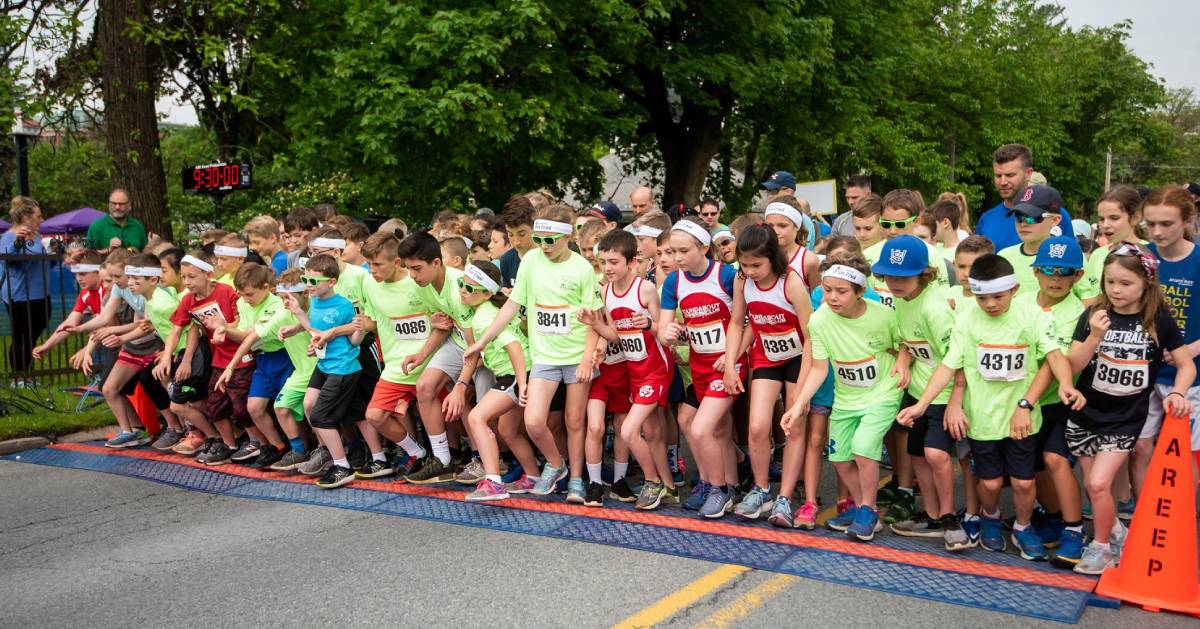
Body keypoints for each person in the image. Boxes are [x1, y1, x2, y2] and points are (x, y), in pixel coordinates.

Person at [898, 254, 1084, 561]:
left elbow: (1052, 355)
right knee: (991, 483)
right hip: (982, 419)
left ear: (1014, 289)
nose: (991, 304)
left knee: (1024, 483)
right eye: (983, 297)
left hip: (1021, 419)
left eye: (998, 296)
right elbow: (947, 366)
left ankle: (1023, 527)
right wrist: (921, 405)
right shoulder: (968, 319)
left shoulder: (1031, 314)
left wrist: (1065, 384)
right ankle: (991, 517)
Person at [1066, 241, 1195, 574]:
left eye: (1126, 283)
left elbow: (1186, 366)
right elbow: (1074, 364)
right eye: (1110, 282)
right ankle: (1118, 532)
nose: (1116, 290)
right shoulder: (1094, 314)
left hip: (1125, 420)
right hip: (1085, 414)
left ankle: (1101, 547)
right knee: (1094, 486)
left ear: (1146, 283)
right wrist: (1094, 336)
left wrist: (1178, 393)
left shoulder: (1158, 320)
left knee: (1097, 484)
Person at [467, 204, 602, 499]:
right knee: (534, 420)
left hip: (575, 356)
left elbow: (593, 320)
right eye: (539, 240)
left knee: (574, 420)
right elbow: (513, 305)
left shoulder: (581, 268)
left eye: (549, 241)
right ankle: (557, 465)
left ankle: (577, 479)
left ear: (567, 237)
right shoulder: (530, 261)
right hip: (544, 357)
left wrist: (585, 359)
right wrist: (482, 341)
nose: (543, 246)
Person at [785, 253, 909, 542]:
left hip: (883, 391)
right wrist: (798, 404)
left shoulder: (883, 315)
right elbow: (818, 369)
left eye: (841, 291)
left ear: (860, 292)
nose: (832, 298)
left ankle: (868, 509)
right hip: (846, 397)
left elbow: (904, 343)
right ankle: (862, 506)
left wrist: (902, 362)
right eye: (827, 290)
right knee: (840, 459)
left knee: (864, 448)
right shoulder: (819, 321)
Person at [874, 236, 970, 550]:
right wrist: (903, 362)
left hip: (939, 396)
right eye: (889, 275)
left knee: (936, 455)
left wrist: (954, 401)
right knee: (916, 454)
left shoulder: (935, 307)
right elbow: (908, 341)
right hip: (917, 391)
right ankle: (930, 516)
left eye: (903, 276)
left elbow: (956, 358)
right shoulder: (902, 301)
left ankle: (949, 518)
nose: (895, 282)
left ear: (923, 273)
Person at [723, 225, 813, 520]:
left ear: (774, 258)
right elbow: (738, 323)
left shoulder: (792, 283)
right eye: (744, 265)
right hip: (767, 356)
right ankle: (761, 490)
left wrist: (803, 386)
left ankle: (785, 497)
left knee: (793, 426)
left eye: (756, 265)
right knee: (758, 427)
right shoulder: (741, 281)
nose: (750, 271)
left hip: (799, 357)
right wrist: (730, 362)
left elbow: (812, 334)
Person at [583, 229, 678, 509]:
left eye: (614, 262)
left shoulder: (644, 289)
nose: (608, 268)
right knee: (651, 432)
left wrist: (648, 323)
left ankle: (652, 481)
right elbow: (614, 335)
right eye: (603, 262)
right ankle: (670, 487)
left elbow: (664, 331)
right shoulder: (605, 291)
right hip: (634, 371)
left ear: (631, 262)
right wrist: (595, 324)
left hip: (656, 369)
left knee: (629, 430)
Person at [1016, 236, 1087, 567]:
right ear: (1035, 272)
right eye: (1048, 270)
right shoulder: (1021, 301)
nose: (1055, 278)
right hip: (1021, 399)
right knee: (1033, 466)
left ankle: (1075, 531)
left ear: (1078, 275)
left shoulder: (1078, 313)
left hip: (1058, 400)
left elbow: (1052, 361)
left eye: (1064, 272)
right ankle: (1055, 517)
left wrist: (1026, 402)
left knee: (1055, 459)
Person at [1135, 186, 1200, 493]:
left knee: (1184, 452)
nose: (1157, 231)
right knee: (1141, 447)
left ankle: (1183, 520)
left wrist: (1188, 350)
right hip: (1145, 371)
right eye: (1151, 223)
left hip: (1190, 375)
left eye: (1166, 223)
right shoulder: (1140, 257)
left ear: (1188, 220)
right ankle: (1140, 514)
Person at [281, 253, 364, 488]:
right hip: (324, 363)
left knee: (320, 416)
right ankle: (329, 450)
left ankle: (342, 465)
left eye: (314, 282)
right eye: (307, 280)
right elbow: (316, 330)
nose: (309, 286)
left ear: (331, 282)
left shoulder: (344, 305)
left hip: (342, 366)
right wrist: (297, 322)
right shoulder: (315, 301)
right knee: (310, 406)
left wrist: (347, 331)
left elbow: (355, 335)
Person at [461, 263, 536, 502]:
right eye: (461, 284)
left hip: (516, 374)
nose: (462, 290)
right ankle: (534, 476)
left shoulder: (484, 316)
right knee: (507, 430)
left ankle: (493, 481)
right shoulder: (488, 309)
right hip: (518, 372)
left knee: (476, 417)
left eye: (469, 287)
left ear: (486, 293)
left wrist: (522, 383)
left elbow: (513, 346)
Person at [212, 263, 292, 468]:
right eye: (242, 294)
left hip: (284, 356)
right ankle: (277, 447)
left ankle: (303, 448)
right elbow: (243, 334)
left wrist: (223, 330)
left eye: (250, 294)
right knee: (254, 407)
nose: (246, 299)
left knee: (290, 407)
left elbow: (249, 336)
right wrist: (225, 330)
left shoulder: (277, 304)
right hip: (262, 359)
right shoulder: (242, 302)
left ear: (266, 287)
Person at [975, 145, 1072, 250]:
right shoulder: (987, 219)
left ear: (1028, 173)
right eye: (998, 176)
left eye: (1010, 175)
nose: (1003, 182)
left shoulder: (1053, 214)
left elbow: (1073, 259)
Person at [1, 196, 52, 383]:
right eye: (38, 216)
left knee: (32, 334)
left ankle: (26, 373)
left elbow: (43, 263)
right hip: (20, 296)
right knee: (21, 336)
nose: (41, 220)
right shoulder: (9, 237)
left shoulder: (38, 237)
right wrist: (17, 244)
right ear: (26, 218)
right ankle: (18, 376)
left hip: (41, 294)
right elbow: (9, 260)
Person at [1078, 185, 1144, 303]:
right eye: (1102, 219)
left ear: (1135, 217)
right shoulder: (1098, 254)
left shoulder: (1149, 253)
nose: (1105, 225)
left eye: (1114, 218)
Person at [998, 185, 1067, 295]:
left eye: (1032, 217)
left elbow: (1089, 298)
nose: (1023, 223)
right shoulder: (1003, 257)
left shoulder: (1069, 254)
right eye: (1018, 216)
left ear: (1055, 220)